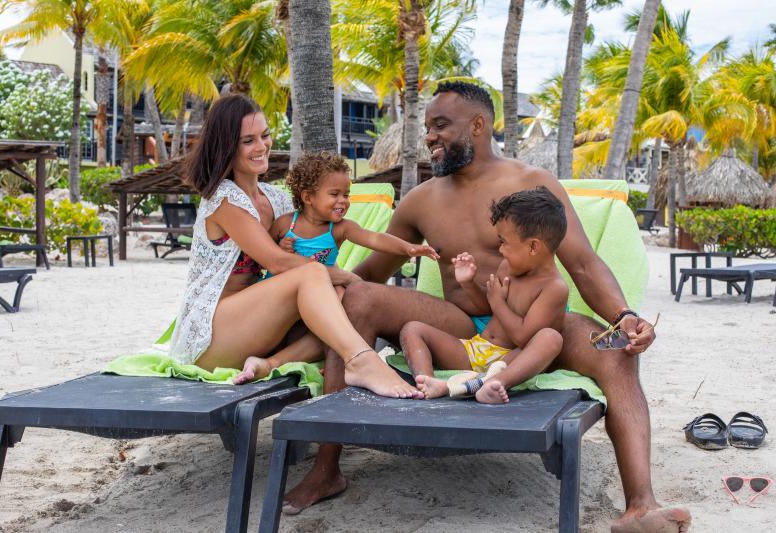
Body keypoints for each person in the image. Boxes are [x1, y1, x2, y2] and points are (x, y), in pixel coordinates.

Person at [283, 82, 691, 533]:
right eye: (428, 128)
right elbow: (370, 274)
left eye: (441, 125)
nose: (430, 137)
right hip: (461, 327)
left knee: (617, 351)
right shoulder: (421, 200)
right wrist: (306, 285)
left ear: (478, 125)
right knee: (357, 298)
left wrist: (623, 316)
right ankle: (326, 469)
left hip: (538, 324)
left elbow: (583, 263)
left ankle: (640, 506)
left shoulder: (533, 183)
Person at [168, 94, 421, 400]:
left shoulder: (276, 198)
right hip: (214, 335)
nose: (261, 146)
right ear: (227, 146)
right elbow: (279, 263)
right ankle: (361, 361)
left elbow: (311, 244)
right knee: (315, 275)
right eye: (248, 141)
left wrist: (343, 282)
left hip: (263, 326)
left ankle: (271, 363)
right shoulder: (224, 199)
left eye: (264, 135)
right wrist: (344, 276)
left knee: (340, 299)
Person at [233, 150, 439, 383]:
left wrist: (408, 248)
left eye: (346, 195)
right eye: (334, 194)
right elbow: (263, 258)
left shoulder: (340, 228)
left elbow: (374, 238)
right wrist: (280, 248)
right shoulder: (285, 224)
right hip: (281, 302)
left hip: (317, 301)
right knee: (340, 293)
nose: (343, 201)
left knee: (343, 297)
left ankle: (331, 356)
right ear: (308, 197)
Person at [402, 187, 568, 404]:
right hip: (476, 349)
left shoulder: (553, 288)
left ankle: (494, 382)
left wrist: (498, 302)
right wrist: (468, 283)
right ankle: (428, 382)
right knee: (412, 329)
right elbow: (486, 307)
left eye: (504, 242)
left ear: (533, 247)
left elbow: (523, 337)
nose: (501, 250)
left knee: (550, 338)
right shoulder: (507, 268)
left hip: (511, 360)